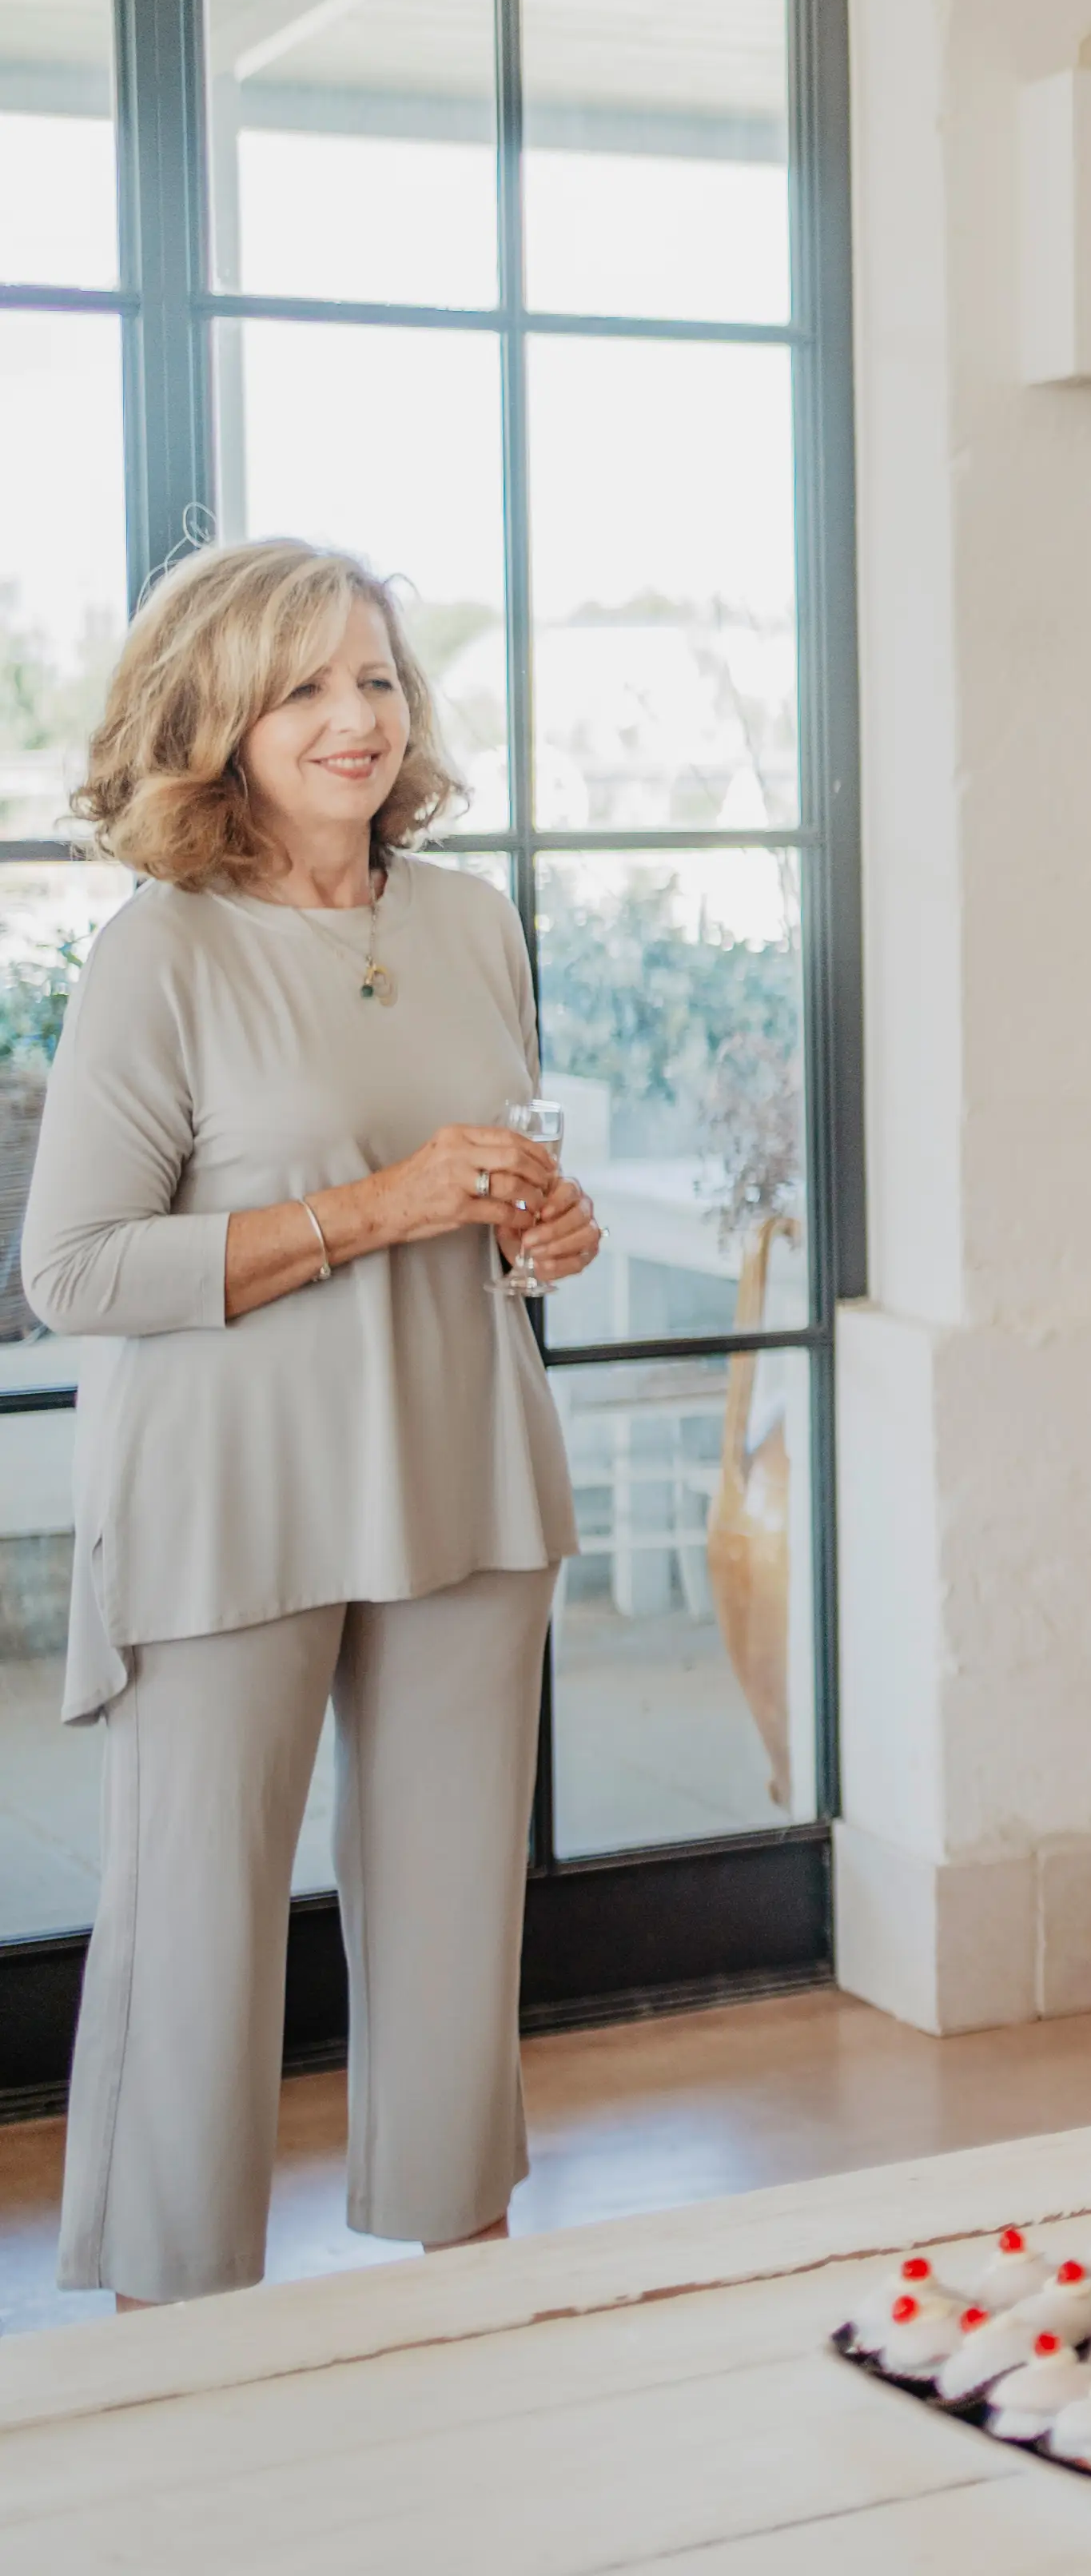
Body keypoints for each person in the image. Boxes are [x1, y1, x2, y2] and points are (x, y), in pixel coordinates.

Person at [27, 538, 598, 2306]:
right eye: (303, 687)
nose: (358, 717)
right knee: (195, 1934)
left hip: (460, 1462)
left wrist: (539, 1234)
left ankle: (462, 2306)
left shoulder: (471, 922)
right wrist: (375, 1207)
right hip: (232, 1490)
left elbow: (481, 1197)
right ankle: (179, 2337)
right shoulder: (161, 952)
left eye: (376, 677)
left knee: (454, 1922)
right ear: (217, 718)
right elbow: (73, 1269)